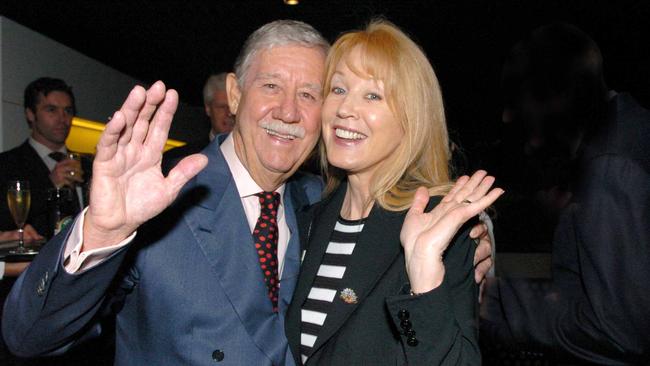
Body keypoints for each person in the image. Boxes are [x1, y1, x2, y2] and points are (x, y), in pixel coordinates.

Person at [3, 20, 493, 366]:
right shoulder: (162, 197)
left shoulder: (312, 205)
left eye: (311, 94)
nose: (288, 110)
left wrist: (444, 263)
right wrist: (103, 231)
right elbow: (29, 337)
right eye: (272, 86)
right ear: (234, 95)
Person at [285, 20, 503, 365]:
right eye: (338, 90)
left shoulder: (439, 227)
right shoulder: (310, 217)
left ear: (411, 119)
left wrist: (423, 280)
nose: (345, 109)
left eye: (372, 95)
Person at [481, 23, 650, 364]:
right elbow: (577, 270)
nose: (507, 115)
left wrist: (490, 301)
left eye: (517, 97)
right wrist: (494, 265)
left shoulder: (610, 168)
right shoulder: (628, 125)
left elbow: (618, 331)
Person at [0, 77, 90, 238]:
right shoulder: (7, 164)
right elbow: (4, 218)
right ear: (30, 114)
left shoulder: (88, 165)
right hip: (34, 261)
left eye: (68, 111)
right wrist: (50, 185)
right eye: (51, 110)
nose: (63, 119)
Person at [162, 72, 235, 173]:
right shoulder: (177, 160)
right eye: (222, 107)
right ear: (208, 109)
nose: (230, 113)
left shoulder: (259, 160)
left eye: (235, 107)